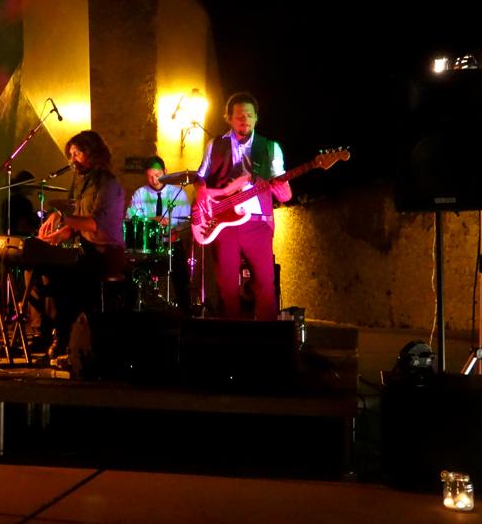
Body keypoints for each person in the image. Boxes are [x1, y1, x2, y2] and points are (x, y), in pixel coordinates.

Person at [194, 92, 291, 320]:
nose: (244, 119)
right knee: (226, 285)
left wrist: (284, 191)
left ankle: (266, 335)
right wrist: (202, 194)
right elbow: (200, 177)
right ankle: (231, 334)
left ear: (256, 118)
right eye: (238, 115)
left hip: (258, 222)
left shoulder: (270, 148)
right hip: (223, 223)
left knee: (265, 283)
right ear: (228, 118)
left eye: (249, 115)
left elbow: (283, 189)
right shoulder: (215, 145)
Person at [37, 130, 125, 359]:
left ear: (92, 153)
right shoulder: (79, 181)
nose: (72, 159)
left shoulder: (108, 183)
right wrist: (59, 235)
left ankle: (64, 338)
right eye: (71, 154)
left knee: (63, 279)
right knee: (40, 273)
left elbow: (95, 224)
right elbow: (76, 220)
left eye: (77, 153)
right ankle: (49, 333)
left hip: (105, 253)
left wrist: (62, 218)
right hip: (86, 251)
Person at [127, 155, 193, 313]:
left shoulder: (178, 194)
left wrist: (175, 230)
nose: (154, 180)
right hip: (148, 245)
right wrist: (152, 219)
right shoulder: (140, 194)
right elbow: (130, 217)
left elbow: (187, 221)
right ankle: (138, 307)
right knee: (134, 272)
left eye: (157, 175)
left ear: (166, 172)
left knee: (181, 276)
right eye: (150, 176)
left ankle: (185, 311)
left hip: (172, 243)